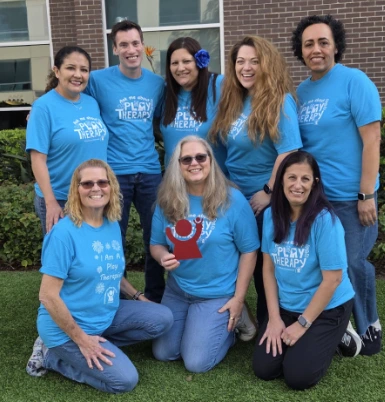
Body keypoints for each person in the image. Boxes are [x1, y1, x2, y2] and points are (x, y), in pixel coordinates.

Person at [25, 159, 173, 394]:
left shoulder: (111, 224)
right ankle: (51, 356)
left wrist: (138, 296)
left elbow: (109, 269)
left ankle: (100, 343)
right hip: (66, 329)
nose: (96, 188)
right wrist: (82, 340)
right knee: (124, 381)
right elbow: (47, 296)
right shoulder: (63, 234)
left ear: (111, 187)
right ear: (76, 190)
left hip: (105, 315)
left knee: (163, 317)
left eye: (102, 182)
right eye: (87, 184)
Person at [291, 15, 382, 355]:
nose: (316, 49)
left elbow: (372, 140)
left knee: (354, 263)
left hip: (349, 197)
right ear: (300, 51)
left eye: (323, 42)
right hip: (315, 199)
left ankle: (369, 325)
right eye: (308, 44)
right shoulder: (301, 92)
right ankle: (339, 326)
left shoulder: (354, 81)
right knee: (324, 264)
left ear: (336, 46)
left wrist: (366, 193)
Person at [210, 35, 303, 326]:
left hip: (266, 200)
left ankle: (271, 325)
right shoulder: (233, 101)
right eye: (240, 61)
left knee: (266, 266)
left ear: (267, 64)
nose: (246, 67)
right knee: (232, 259)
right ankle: (231, 318)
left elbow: (289, 152)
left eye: (254, 61)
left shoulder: (280, 101)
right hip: (235, 198)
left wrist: (268, 191)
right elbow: (225, 151)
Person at [150, 136, 259, 373]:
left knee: (196, 362)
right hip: (178, 290)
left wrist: (238, 298)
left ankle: (235, 321)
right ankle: (201, 323)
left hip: (216, 294)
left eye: (200, 157)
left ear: (210, 160)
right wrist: (161, 257)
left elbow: (249, 251)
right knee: (164, 353)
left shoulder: (233, 200)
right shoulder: (167, 200)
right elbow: (156, 244)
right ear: (177, 165)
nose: (194, 163)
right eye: (186, 159)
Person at [252, 151, 355, 390]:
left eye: (305, 179)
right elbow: (268, 269)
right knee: (264, 369)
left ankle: (341, 334)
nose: (298, 185)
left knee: (298, 377)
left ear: (314, 183)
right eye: (292, 177)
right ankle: (310, 338)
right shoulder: (271, 217)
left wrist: (302, 324)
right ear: (281, 181)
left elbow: (333, 279)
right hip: (287, 305)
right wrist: (274, 318)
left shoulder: (325, 221)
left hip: (326, 308)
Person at [85, 20, 165, 303]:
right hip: (114, 173)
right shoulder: (97, 80)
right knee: (112, 239)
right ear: (115, 49)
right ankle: (117, 297)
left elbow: (163, 118)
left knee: (155, 237)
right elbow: (69, 95)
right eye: (124, 45)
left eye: (135, 43)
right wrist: (40, 108)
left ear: (142, 45)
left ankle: (155, 297)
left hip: (150, 172)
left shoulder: (157, 84)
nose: (131, 50)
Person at [26, 46, 108, 235]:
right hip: (61, 199)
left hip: (94, 194)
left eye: (84, 70)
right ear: (57, 71)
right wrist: (51, 202)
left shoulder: (92, 103)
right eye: (71, 68)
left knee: (92, 249)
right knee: (64, 251)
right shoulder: (43, 107)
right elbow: (37, 160)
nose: (78, 75)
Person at [160, 37, 227, 172]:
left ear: (199, 62)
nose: (180, 68)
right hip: (174, 181)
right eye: (174, 63)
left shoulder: (219, 85)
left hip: (213, 179)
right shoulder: (165, 92)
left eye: (186, 61)